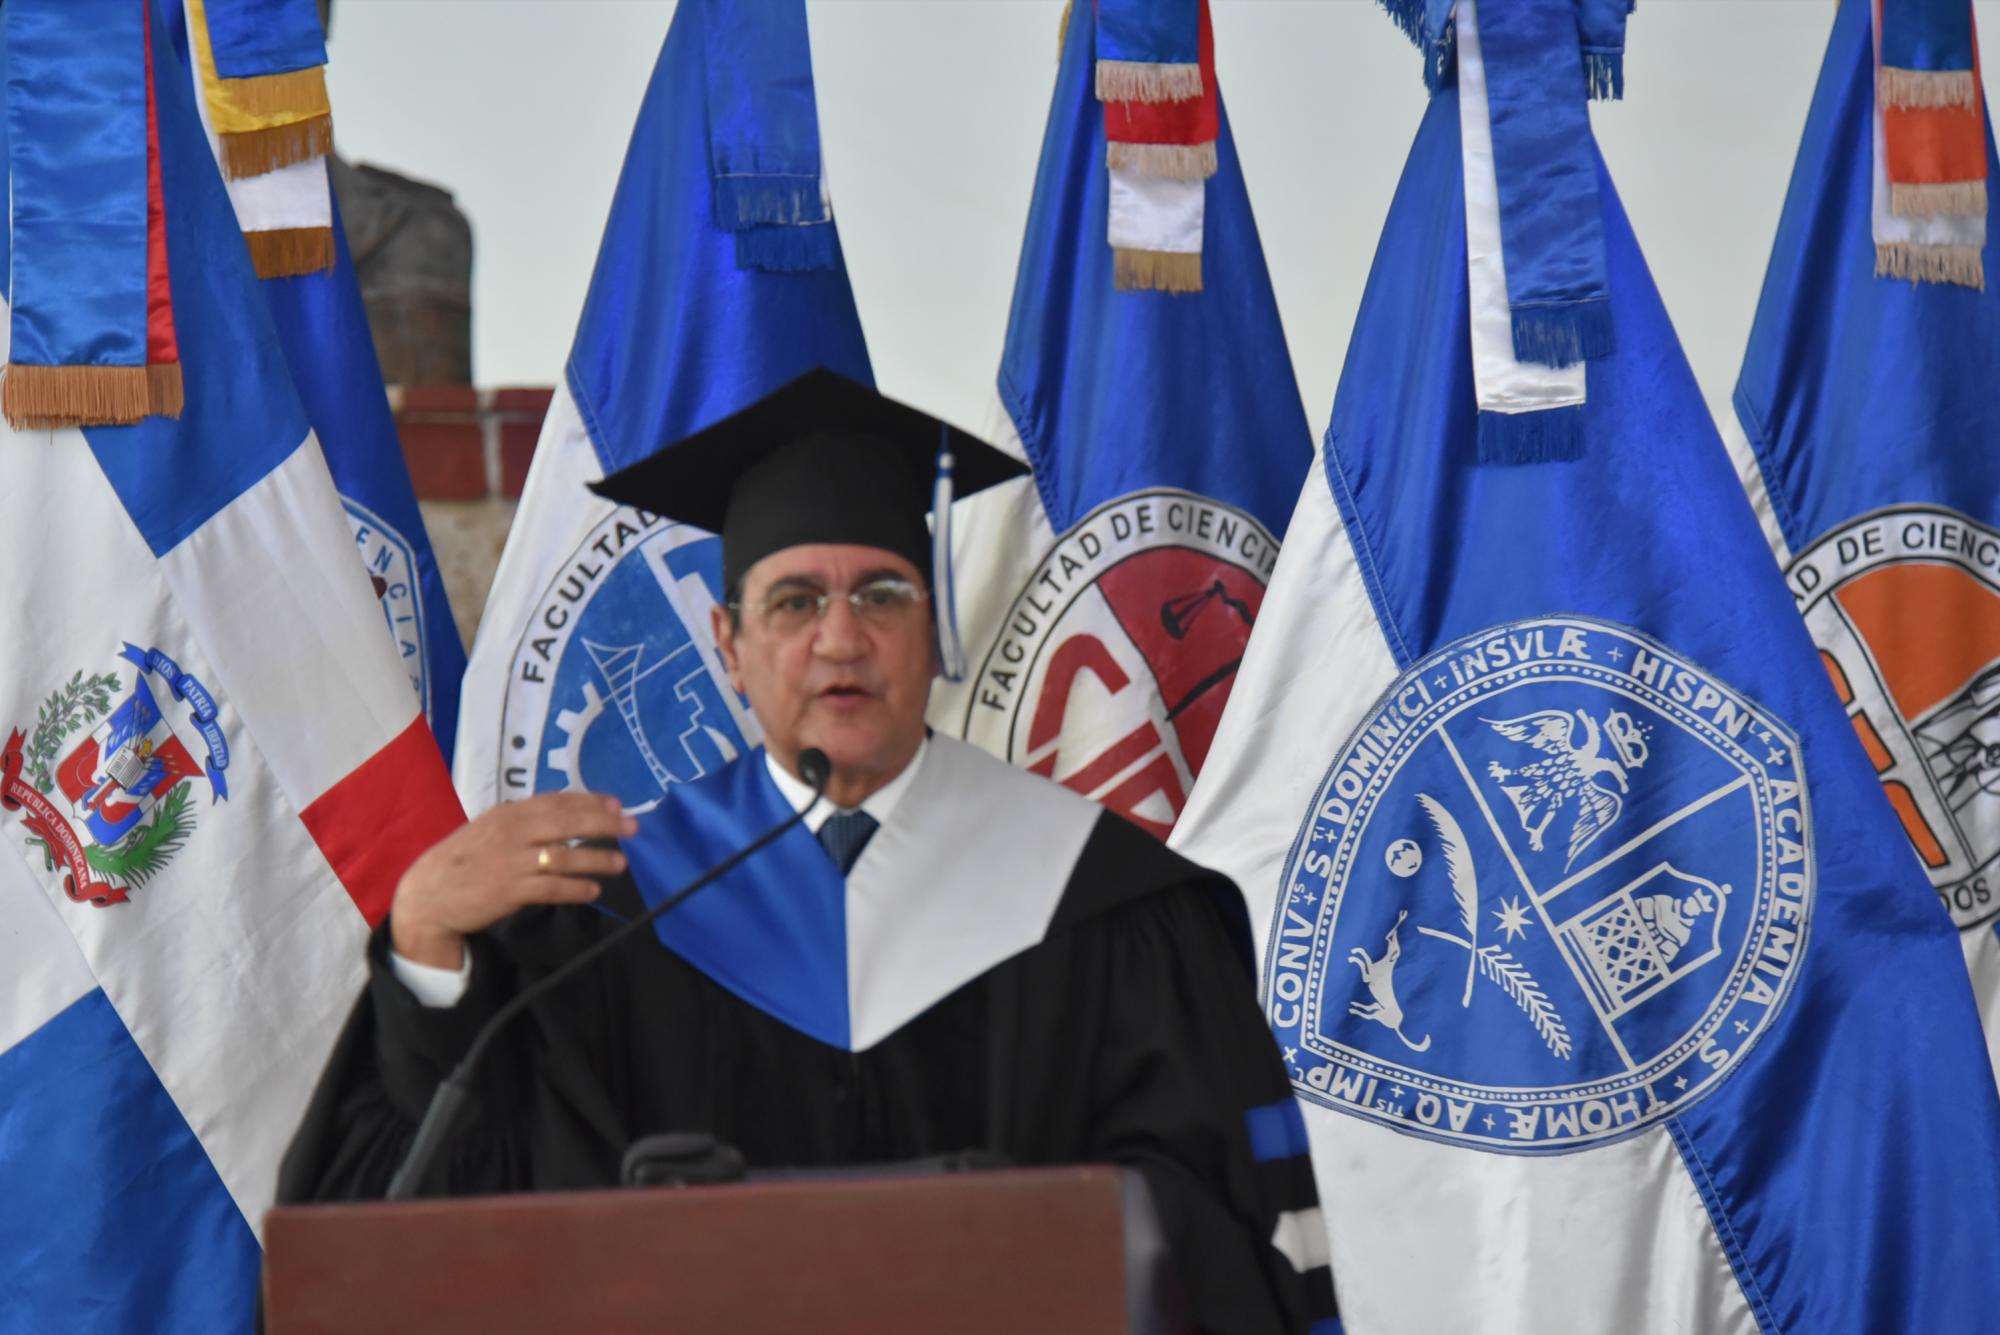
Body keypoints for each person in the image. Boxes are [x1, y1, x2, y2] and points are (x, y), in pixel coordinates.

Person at [278, 370, 1339, 1333]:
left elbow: (1218, 1245)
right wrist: (423, 946)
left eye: (881, 594)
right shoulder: (605, 912)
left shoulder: (1108, 904)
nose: (840, 639)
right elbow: (426, 1216)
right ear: (731, 652)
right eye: (793, 603)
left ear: (935, 637)